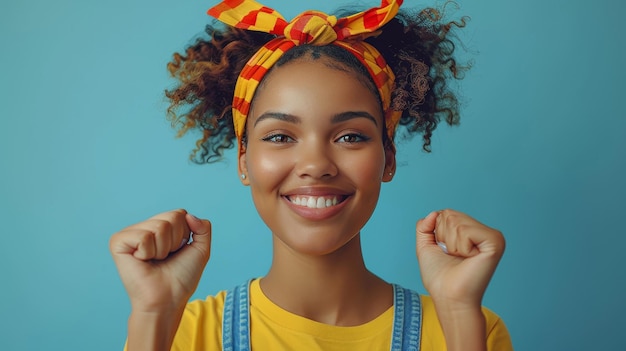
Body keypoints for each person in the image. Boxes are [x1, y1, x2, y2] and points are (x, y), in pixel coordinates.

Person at [109, 0, 513, 350]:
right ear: (244, 161)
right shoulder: (175, 332)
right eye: (281, 136)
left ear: (388, 157)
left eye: (351, 136)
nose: (316, 164)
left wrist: (460, 314)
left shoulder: (470, 330)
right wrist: (153, 314)